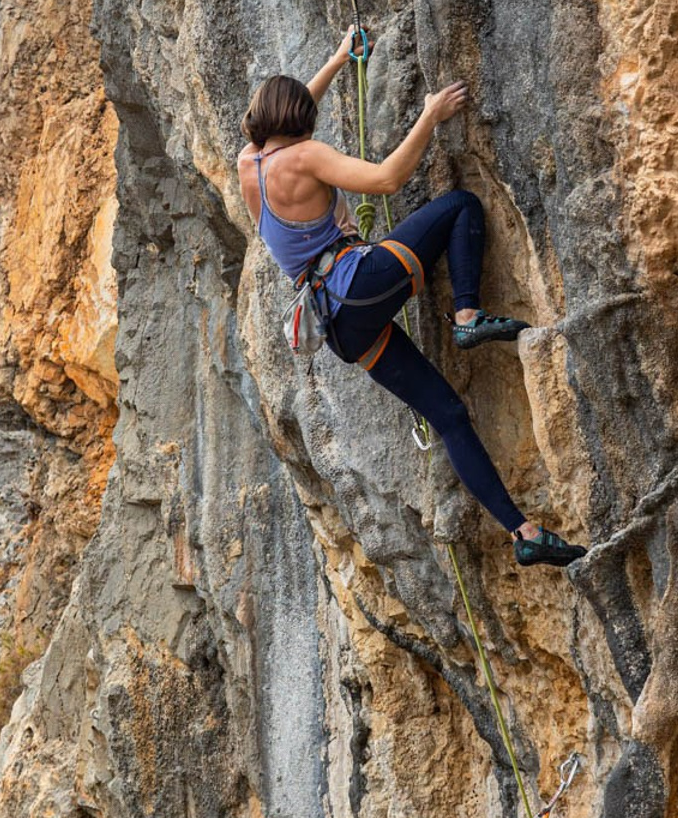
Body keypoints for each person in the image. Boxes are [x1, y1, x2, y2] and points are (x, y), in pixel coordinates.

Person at [237, 28, 587, 568]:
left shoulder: (250, 165)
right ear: (299, 120)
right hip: (358, 283)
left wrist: (338, 60)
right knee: (462, 206)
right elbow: (385, 180)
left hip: (340, 326)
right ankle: (466, 314)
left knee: (448, 415)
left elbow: (292, 114)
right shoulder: (306, 157)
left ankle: (524, 533)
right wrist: (429, 115)